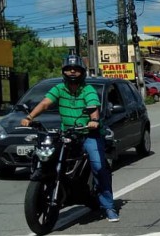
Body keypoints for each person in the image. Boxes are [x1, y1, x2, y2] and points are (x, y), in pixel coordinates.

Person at [20, 54, 119, 222]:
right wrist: (29, 117)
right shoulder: (59, 89)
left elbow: (93, 106)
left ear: (82, 72)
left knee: (99, 166)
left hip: (89, 133)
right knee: (48, 155)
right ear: (64, 71)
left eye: (76, 69)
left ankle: (109, 206)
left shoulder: (88, 90)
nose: (72, 72)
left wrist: (94, 120)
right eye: (68, 69)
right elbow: (45, 103)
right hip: (67, 133)